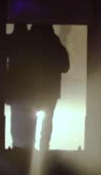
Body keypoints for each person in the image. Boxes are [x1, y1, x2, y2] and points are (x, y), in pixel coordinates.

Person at [29, 23, 70, 151]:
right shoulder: (57, 46)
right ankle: (44, 145)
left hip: (34, 87)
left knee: (31, 116)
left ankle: (30, 145)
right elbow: (65, 67)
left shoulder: (32, 45)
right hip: (52, 89)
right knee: (48, 118)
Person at [5, 23, 36, 149]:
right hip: (29, 87)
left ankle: (17, 144)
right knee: (29, 117)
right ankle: (29, 145)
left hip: (15, 87)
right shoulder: (32, 40)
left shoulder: (10, 40)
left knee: (16, 118)